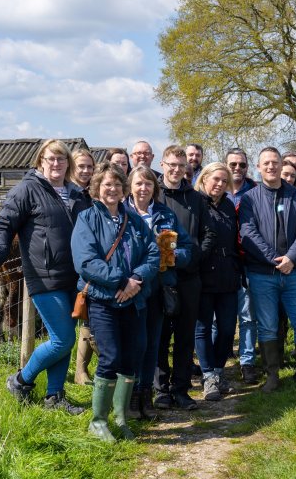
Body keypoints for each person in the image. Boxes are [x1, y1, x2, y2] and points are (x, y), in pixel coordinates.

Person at [0, 139, 91, 414]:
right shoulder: (27, 190)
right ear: (40, 161)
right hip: (44, 275)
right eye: (50, 159)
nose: (56, 164)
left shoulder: (77, 194)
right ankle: (21, 380)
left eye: (61, 159)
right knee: (63, 339)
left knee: (63, 337)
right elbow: (4, 225)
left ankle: (54, 396)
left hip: (74, 276)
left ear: (68, 163)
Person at [71, 161, 160, 442]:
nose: (112, 189)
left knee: (133, 356)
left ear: (124, 189)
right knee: (110, 357)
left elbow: (153, 254)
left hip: (134, 300)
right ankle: (98, 422)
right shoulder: (87, 219)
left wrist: (135, 281)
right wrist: (121, 282)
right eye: (107, 184)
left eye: (117, 184)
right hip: (102, 300)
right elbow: (86, 261)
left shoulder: (132, 219)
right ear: (97, 188)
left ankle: (120, 418)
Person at [238, 147, 296, 392]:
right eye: (266, 163)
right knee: (267, 325)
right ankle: (272, 376)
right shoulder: (249, 199)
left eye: (275, 162)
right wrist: (275, 259)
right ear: (259, 167)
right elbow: (248, 232)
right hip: (262, 274)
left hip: (295, 273)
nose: (271, 167)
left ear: (282, 164)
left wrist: (291, 258)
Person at [125, 165, 193, 419]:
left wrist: (175, 255)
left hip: (159, 286)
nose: (144, 188)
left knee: (153, 343)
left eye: (149, 184)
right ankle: (129, 397)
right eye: (139, 184)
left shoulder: (165, 214)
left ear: (155, 188)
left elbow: (187, 247)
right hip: (131, 287)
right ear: (130, 186)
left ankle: (146, 395)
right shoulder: (121, 213)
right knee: (134, 343)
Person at [155, 146, 215, 410]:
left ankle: (180, 389)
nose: (176, 169)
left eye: (181, 166)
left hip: (189, 277)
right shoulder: (152, 194)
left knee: (184, 336)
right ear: (163, 164)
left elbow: (209, 234)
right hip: (158, 278)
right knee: (159, 335)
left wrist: (192, 257)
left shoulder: (197, 199)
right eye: (172, 164)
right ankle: (160, 389)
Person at [194, 162, 241, 400]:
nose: (220, 184)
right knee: (202, 328)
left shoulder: (229, 206)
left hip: (228, 275)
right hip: (202, 275)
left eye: (225, 181)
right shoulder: (195, 202)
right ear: (204, 178)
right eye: (216, 179)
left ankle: (219, 371)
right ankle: (208, 375)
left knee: (226, 328)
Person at [225, 147, 260, 385]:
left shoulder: (256, 192)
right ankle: (218, 362)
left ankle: (247, 361)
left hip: (248, 260)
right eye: (233, 164)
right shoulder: (215, 189)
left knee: (248, 316)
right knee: (220, 317)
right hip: (223, 263)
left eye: (242, 165)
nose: (237, 168)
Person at [71, 148, 98, 386]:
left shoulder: (91, 194)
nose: (86, 171)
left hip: (90, 264)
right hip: (71, 263)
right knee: (76, 319)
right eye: (81, 166)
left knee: (87, 318)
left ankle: (82, 370)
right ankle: (76, 370)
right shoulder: (69, 195)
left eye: (90, 166)